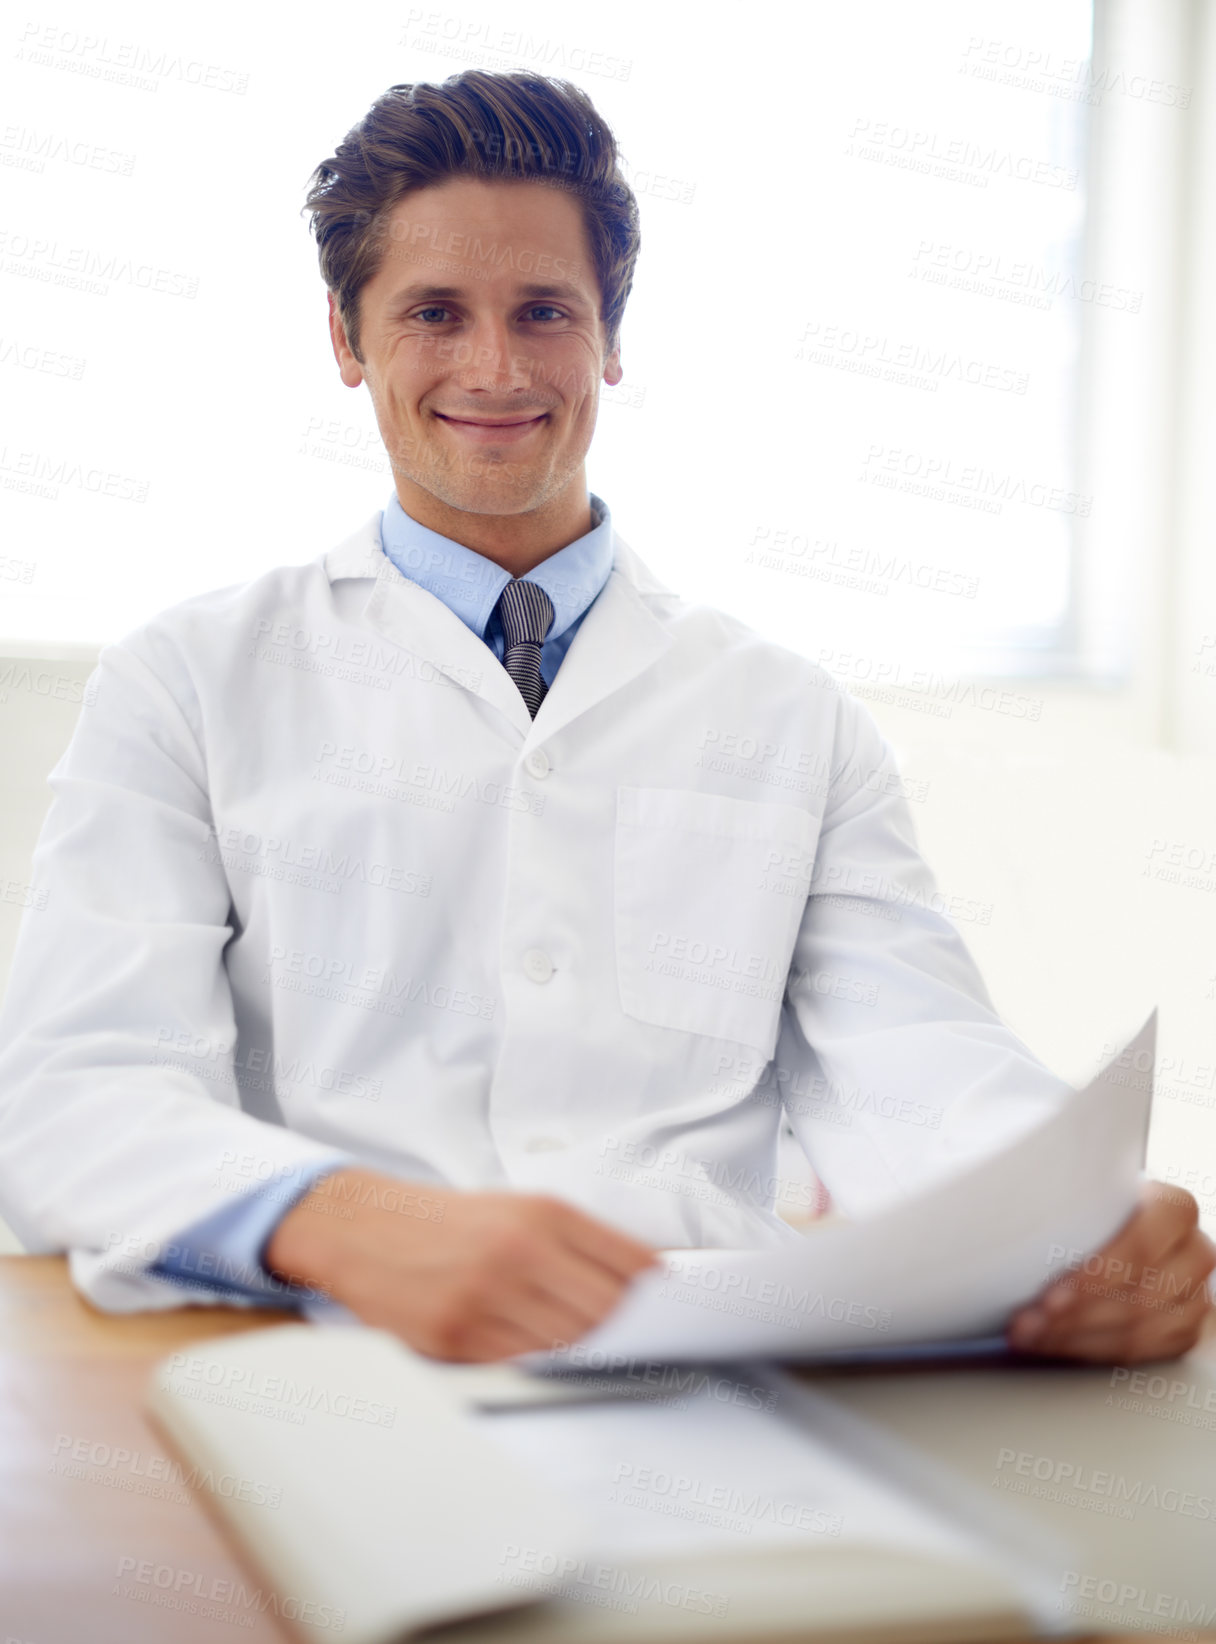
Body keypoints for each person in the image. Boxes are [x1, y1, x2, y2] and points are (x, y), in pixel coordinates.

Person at [0, 71, 1210, 1366]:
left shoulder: (789, 714)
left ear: (612, 337)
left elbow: (915, 1058)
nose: (498, 366)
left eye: (544, 311)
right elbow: (72, 1089)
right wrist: (341, 1215)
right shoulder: (186, 682)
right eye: (433, 313)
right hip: (327, 1353)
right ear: (347, 344)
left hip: (707, 1355)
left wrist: (1076, 1216)